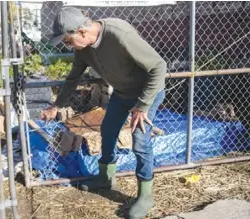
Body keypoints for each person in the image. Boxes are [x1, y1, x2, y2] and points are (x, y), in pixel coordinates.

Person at [41, 7, 167, 219]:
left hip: (148, 92)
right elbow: (73, 78)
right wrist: (57, 105)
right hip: (123, 92)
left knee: (140, 140)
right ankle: (105, 178)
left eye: (67, 41)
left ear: (81, 32)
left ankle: (146, 196)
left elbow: (158, 67)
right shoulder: (83, 49)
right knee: (108, 131)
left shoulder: (118, 34)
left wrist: (142, 106)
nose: (68, 46)